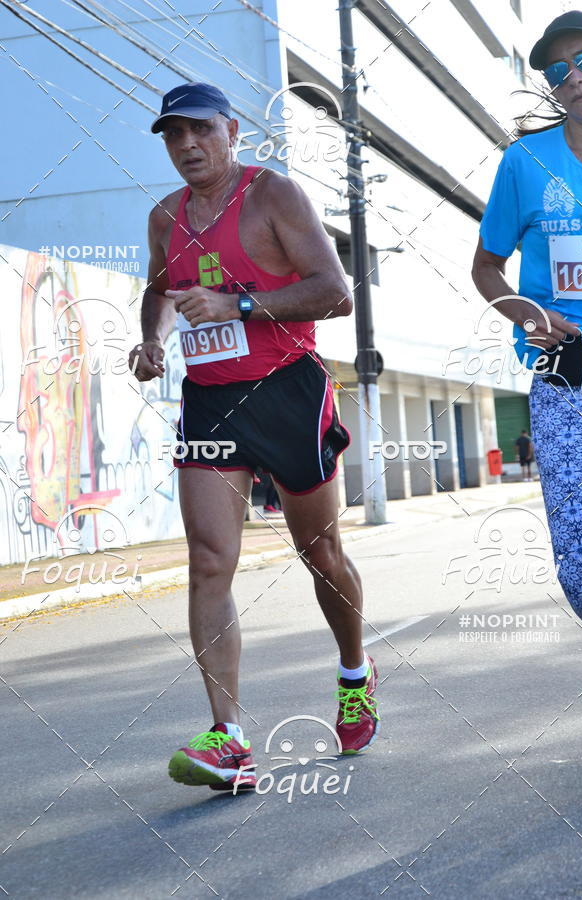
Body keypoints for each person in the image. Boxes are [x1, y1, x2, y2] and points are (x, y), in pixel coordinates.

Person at [128, 83, 379, 791]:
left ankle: (355, 675)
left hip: (290, 392)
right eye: (173, 137)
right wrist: (152, 341)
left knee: (320, 552)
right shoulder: (164, 217)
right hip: (210, 401)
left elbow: (335, 291)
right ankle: (229, 738)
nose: (186, 147)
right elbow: (159, 290)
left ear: (231, 131)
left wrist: (240, 302)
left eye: (199, 131)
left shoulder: (275, 197)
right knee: (210, 560)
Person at [472, 11, 582, 710]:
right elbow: (488, 266)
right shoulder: (526, 163)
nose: (576, 76)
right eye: (558, 70)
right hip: (567, 377)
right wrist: (524, 312)